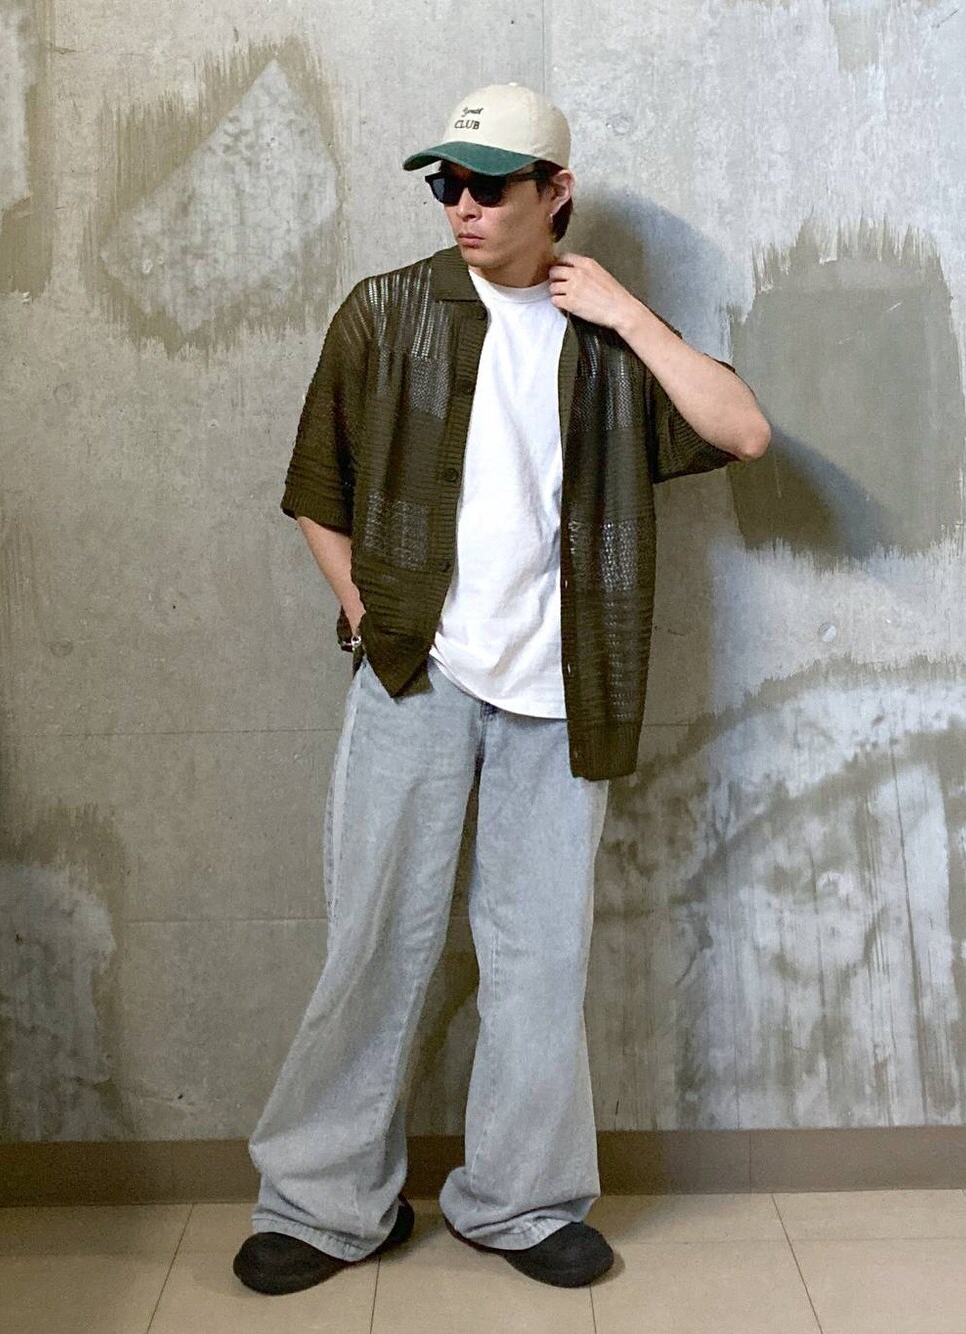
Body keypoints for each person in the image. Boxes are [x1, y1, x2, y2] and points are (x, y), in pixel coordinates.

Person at [233, 82, 770, 1297]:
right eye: (445, 184)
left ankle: (519, 1200)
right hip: (413, 679)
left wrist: (625, 311)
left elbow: (741, 431)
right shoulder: (386, 312)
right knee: (374, 945)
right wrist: (368, 614)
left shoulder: (604, 339)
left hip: (560, 696)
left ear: (554, 191)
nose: (461, 207)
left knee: (537, 961)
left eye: (486, 185)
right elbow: (316, 486)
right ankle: (323, 1203)